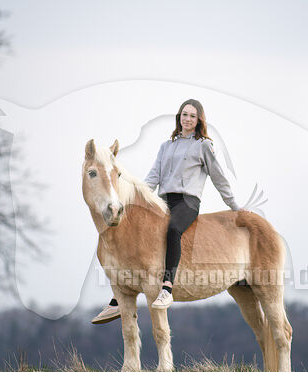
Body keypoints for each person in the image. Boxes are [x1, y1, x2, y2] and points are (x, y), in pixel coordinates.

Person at [91, 99, 240, 324]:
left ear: (199, 120)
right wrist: (133, 201)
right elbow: (152, 178)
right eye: (184, 114)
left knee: (172, 231)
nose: (187, 118)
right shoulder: (166, 146)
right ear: (179, 116)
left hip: (187, 202)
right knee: (134, 234)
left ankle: (167, 287)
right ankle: (119, 295)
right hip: (163, 201)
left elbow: (219, 178)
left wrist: (234, 206)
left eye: (192, 115)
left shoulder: (203, 146)